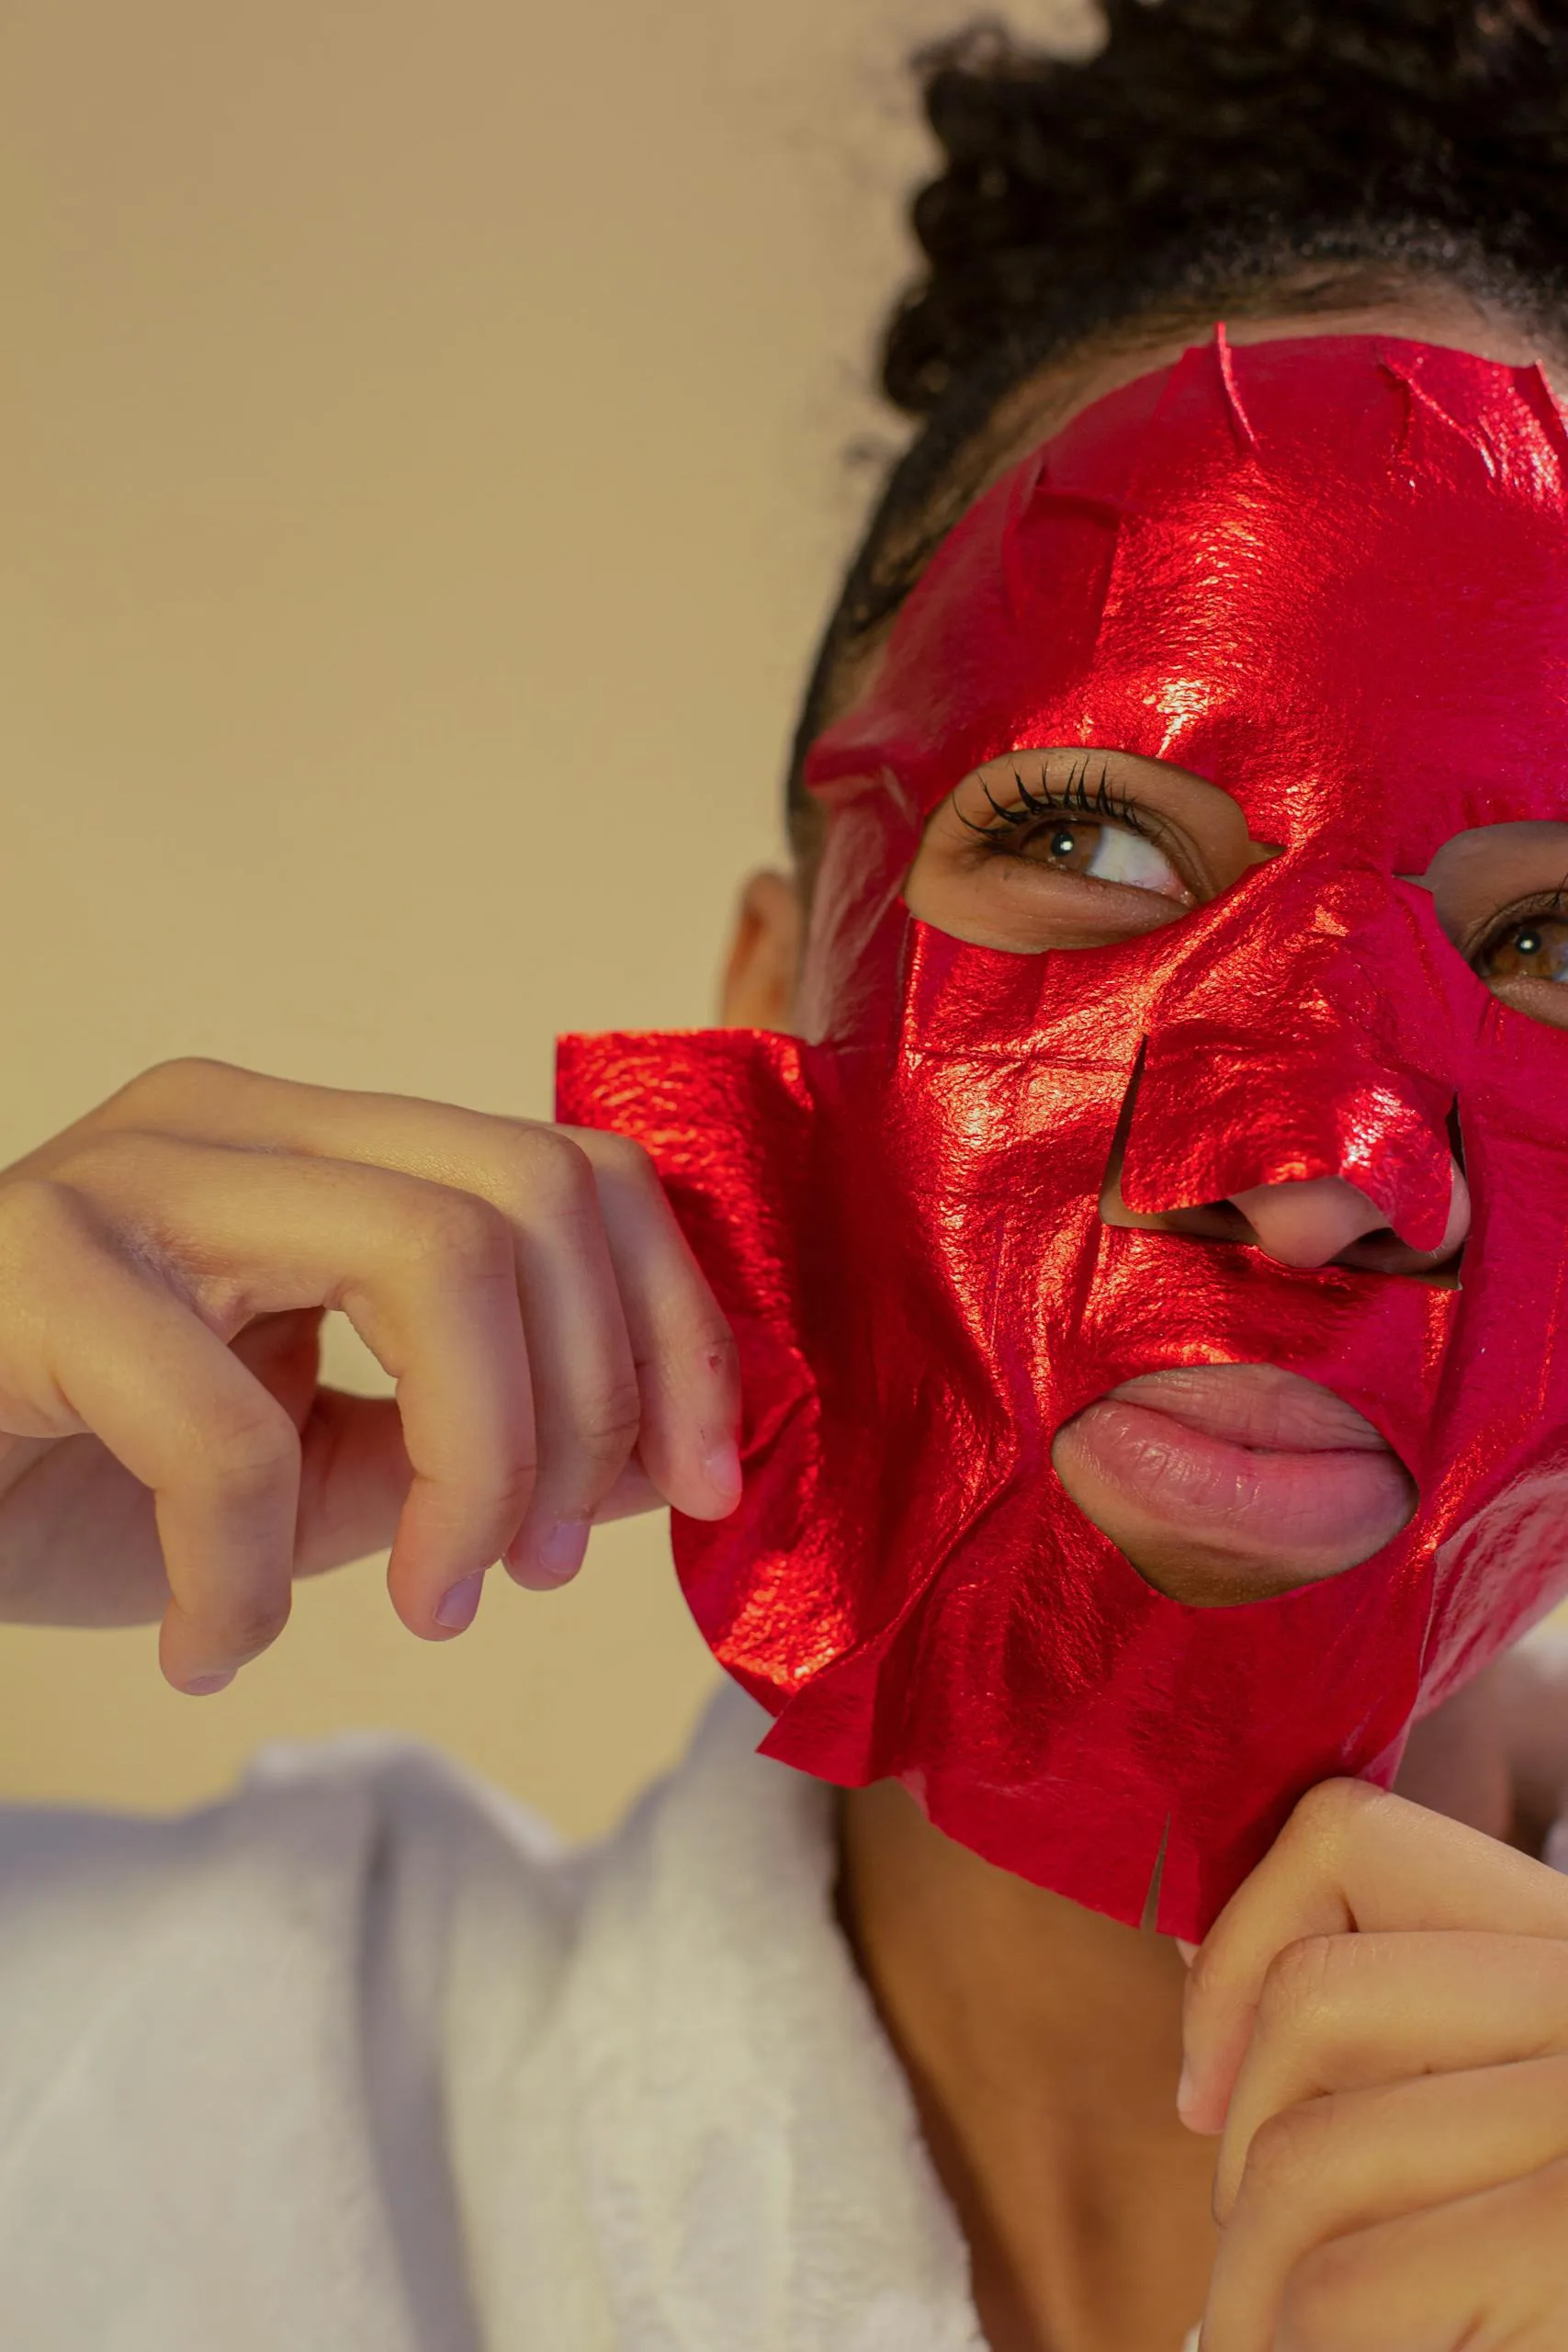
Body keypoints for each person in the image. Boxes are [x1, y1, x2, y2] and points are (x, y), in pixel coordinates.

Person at [6, 5, 1568, 2346]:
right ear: (764, 1016)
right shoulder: (133, 2109)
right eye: (1089, 841)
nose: (1315, 1169)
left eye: (1551, 939)